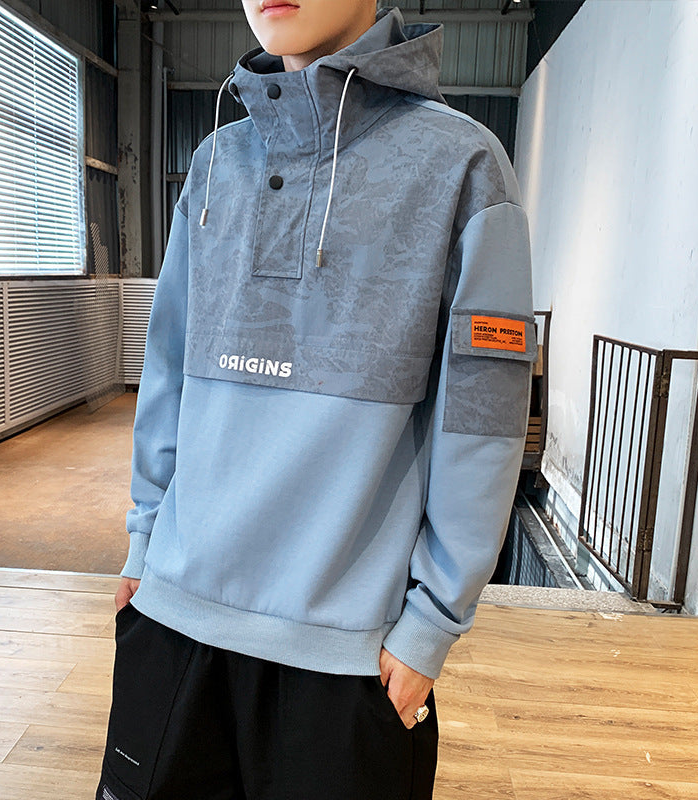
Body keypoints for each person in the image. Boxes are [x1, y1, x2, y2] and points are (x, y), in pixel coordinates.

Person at [96, 2, 536, 799]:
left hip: (347, 662)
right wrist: (143, 541)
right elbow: (167, 372)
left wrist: (432, 622)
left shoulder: (463, 165)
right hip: (172, 620)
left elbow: (485, 418)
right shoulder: (215, 162)